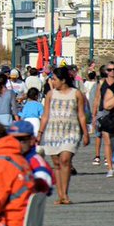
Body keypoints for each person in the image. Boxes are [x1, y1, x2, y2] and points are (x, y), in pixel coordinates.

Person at [37, 66, 89, 205]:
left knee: (65, 159)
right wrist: (40, 133)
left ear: (63, 80)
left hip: (71, 130)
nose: (52, 82)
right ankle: (60, 195)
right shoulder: (50, 94)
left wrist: (85, 133)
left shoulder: (76, 94)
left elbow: (81, 115)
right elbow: (45, 115)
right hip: (53, 132)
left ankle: (65, 194)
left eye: (54, 79)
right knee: (56, 163)